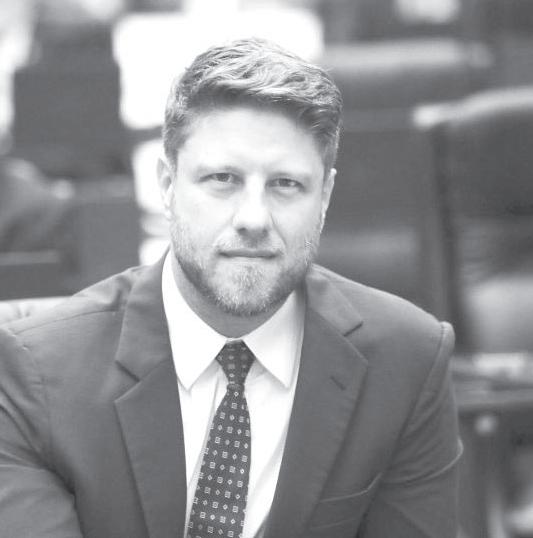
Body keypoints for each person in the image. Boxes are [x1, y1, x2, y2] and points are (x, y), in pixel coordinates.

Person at [0, 37, 461, 538]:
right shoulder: (36, 374)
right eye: (223, 178)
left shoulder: (407, 360)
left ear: (325, 195)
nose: (254, 219)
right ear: (167, 184)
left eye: (286, 184)